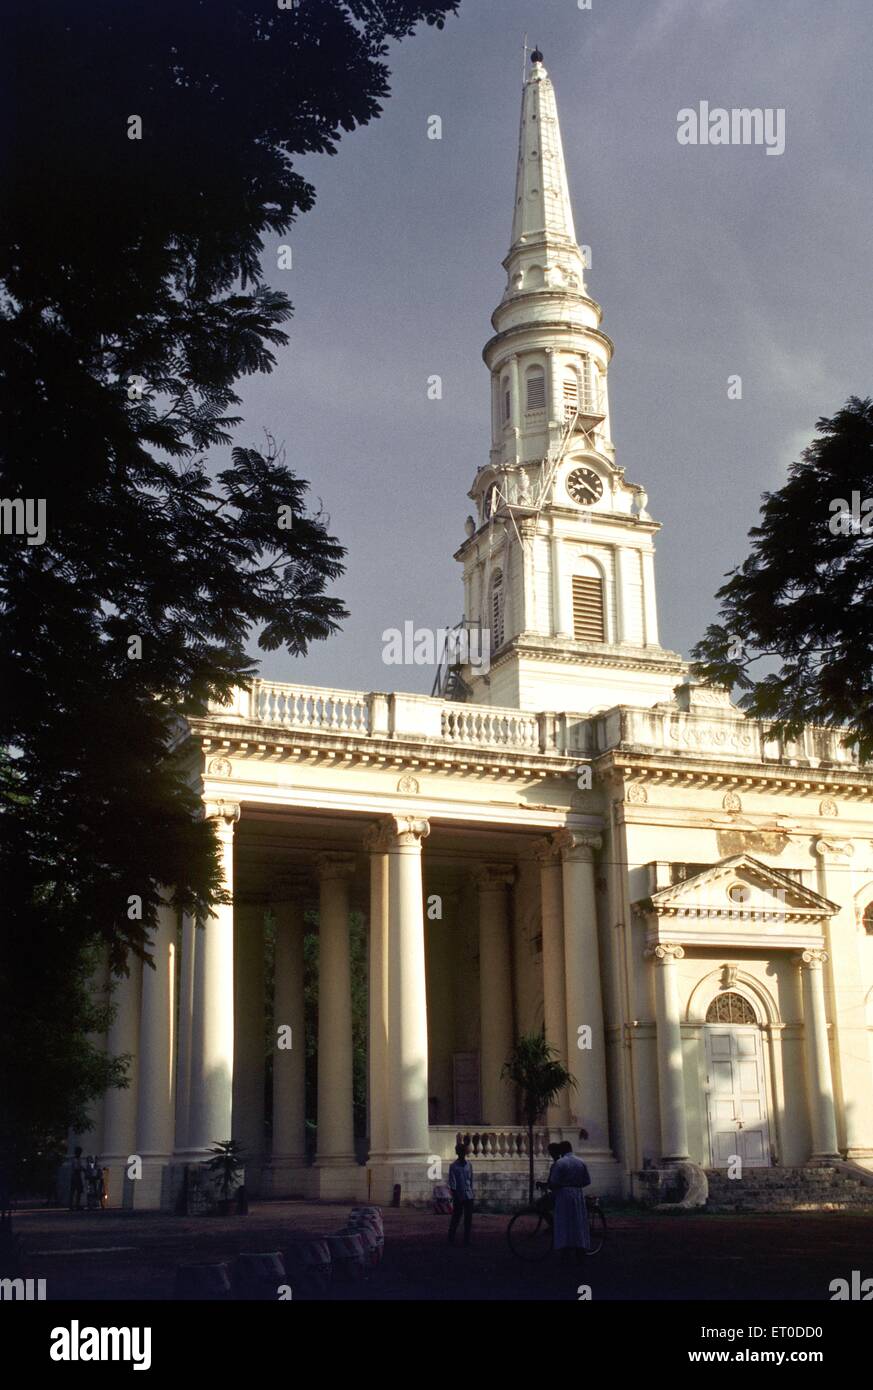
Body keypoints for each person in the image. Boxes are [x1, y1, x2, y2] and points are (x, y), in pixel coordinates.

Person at [550, 1140, 591, 1263]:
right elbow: (587, 1181)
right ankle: (580, 1249)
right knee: (579, 1222)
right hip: (578, 1194)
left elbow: (554, 1182)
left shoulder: (560, 1163)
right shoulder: (581, 1162)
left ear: (562, 1150)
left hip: (563, 1194)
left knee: (564, 1222)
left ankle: (565, 1250)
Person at [447, 1141, 474, 1247]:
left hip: (469, 1195)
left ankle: (466, 1239)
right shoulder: (453, 1166)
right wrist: (455, 1196)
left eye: (464, 1152)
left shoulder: (469, 1165)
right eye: (461, 1152)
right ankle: (451, 1237)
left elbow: (471, 1180)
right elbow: (452, 1182)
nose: (463, 1154)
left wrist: (472, 1192)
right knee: (456, 1217)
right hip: (459, 1195)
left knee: (468, 1219)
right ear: (458, 1153)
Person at [69, 1147, 85, 1212]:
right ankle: (73, 1205)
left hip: (76, 1176)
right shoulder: (75, 1160)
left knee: (77, 1191)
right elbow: (76, 1168)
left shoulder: (78, 1159)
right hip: (76, 1176)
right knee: (75, 1191)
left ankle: (75, 1205)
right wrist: (82, 1169)